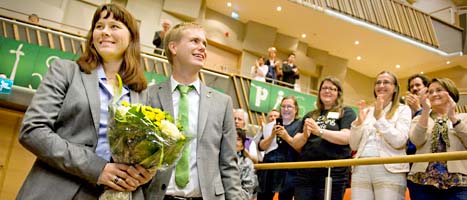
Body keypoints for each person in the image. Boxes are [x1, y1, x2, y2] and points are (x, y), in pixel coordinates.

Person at [17, 4, 154, 199]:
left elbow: (144, 152)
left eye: (114, 26)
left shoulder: (142, 93)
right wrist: (97, 168)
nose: (105, 32)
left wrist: (144, 173)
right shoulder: (65, 71)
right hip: (57, 190)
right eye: (99, 26)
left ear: (132, 37)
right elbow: (33, 131)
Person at [147, 22, 242, 200]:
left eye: (204, 43)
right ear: (173, 47)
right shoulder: (149, 96)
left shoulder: (223, 103)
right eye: (195, 41)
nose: (202, 48)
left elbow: (229, 164)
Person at [290, 77, 356, 200]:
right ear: (319, 92)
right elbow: (295, 143)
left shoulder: (346, 112)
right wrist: (305, 135)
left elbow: (347, 137)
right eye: (324, 88)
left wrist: (319, 131)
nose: (327, 91)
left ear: (338, 93)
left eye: (332, 88)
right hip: (306, 172)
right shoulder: (311, 114)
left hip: (333, 173)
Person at [349, 70, 411, 200]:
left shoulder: (403, 110)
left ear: (395, 88)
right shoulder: (367, 110)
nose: (381, 85)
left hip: (390, 169)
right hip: (361, 168)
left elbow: (399, 141)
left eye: (386, 82)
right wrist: (358, 124)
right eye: (378, 82)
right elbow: (353, 144)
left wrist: (380, 118)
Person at [407, 78, 467, 199]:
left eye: (439, 90)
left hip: (458, 183)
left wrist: (453, 118)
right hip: (421, 183)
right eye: (430, 91)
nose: (434, 94)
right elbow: (416, 141)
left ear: (450, 93)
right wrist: (425, 111)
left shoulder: (464, 117)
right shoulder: (419, 118)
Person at [257, 96, 301, 200]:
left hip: (288, 170)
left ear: (296, 109)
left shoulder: (299, 125)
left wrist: (286, 137)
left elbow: (301, 148)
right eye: (283, 106)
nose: (286, 109)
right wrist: (272, 135)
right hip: (269, 169)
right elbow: (261, 147)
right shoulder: (272, 124)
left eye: (289, 107)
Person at [405, 73, 430, 155]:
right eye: (411, 87)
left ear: (426, 88)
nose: (414, 88)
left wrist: (418, 110)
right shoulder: (406, 109)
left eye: (418, 85)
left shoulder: (433, 105)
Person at [236, 128, 259, 200]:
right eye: (231, 138)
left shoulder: (247, 164)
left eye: (238, 139)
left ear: (242, 146)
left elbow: (248, 192)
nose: (233, 141)